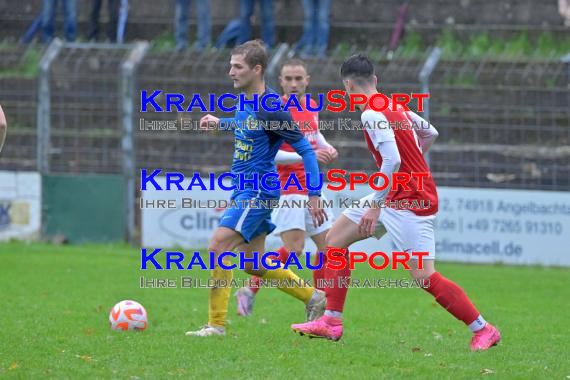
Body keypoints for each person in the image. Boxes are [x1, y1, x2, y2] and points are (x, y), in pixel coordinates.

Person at [291, 55, 501, 352]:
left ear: (347, 85)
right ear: (375, 81)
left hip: (409, 200)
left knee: (424, 276)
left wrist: (377, 203)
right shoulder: (395, 106)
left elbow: (393, 160)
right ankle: (331, 321)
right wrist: (409, 171)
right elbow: (430, 132)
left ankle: (484, 329)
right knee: (334, 241)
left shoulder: (369, 114)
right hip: (395, 192)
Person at [185, 41, 329, 337]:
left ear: (257, 69)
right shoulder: (246, 100)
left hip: (258, 190)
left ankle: (216, 325)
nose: (231, 72)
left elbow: (308, 150)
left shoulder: (273, 108)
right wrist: (220, 123)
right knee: (252, 263)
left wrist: (314, 195)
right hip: (243, 188)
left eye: (237, 67)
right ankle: (313, 297)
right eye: (231, 65)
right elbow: (246, 125)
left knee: (218, 245)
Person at [234, 58, 338, 316]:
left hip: (311, 187)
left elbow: (312, 134)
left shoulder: (311, 106)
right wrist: (308, 155)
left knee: (329, 248)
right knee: (294, 249)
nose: (293, 84)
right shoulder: (274, 109)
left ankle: (319, 306)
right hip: (288, 188)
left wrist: (325, 146)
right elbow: (270, 155)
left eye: (298, 79)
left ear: (307, 81)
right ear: (280, 81)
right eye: (288, 79)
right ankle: (249, 289)